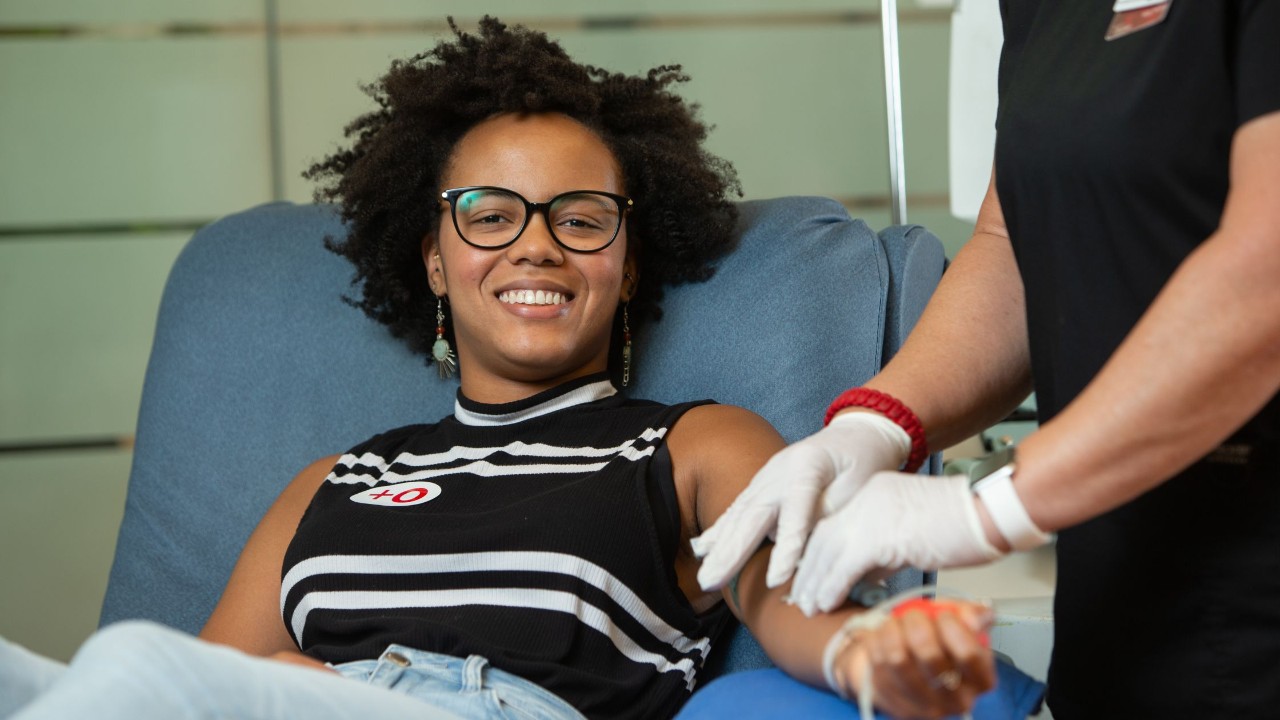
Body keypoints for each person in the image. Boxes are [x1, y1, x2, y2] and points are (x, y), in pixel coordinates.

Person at [0, 18, 1020, 720]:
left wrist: (857, 656)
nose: (534, 247)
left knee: (128, 664)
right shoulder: (329, 483)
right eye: (489, 216)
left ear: (625, 267)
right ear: (435, 260)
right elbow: (212, 676)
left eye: (580, 220)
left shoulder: (687, 445)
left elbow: (787, 604)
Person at [693, 1, 1280, 717]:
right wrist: (876, 425)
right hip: (1130, 584)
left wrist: (992, 511)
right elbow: (1014, 244)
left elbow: (1266, 277)